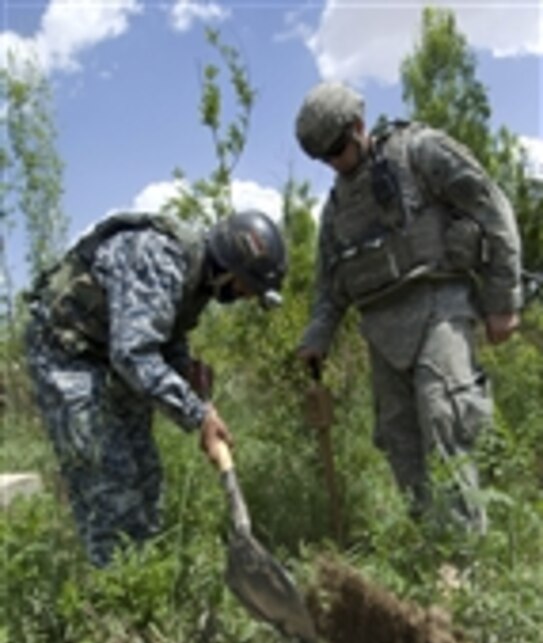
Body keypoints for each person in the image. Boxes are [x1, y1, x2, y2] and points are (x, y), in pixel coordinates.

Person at [295, 81, 523, 536]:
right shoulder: (337, 207)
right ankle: (428, 547)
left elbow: (491, 208)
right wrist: (317, 336)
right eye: (325, 158)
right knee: (400, 441)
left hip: (439, 303)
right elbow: (331, 284)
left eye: (339, 148)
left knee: (445, 420)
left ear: (359, 127)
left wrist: (503, 299)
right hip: (381, 329)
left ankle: (463, 562)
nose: (335, 163)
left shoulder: (421, 152)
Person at [25, 209, 286, 567]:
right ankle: (113, 595)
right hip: (67, 351)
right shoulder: (159, 258)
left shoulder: (197, 281)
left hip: (109, 354)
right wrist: (199, 416)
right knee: (108, 477)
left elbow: (164, 337)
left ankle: (145, 573)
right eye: (246, 286)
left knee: (145, 473)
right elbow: (133, 355)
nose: (243, 296)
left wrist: (185, 373)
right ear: (229, 265)